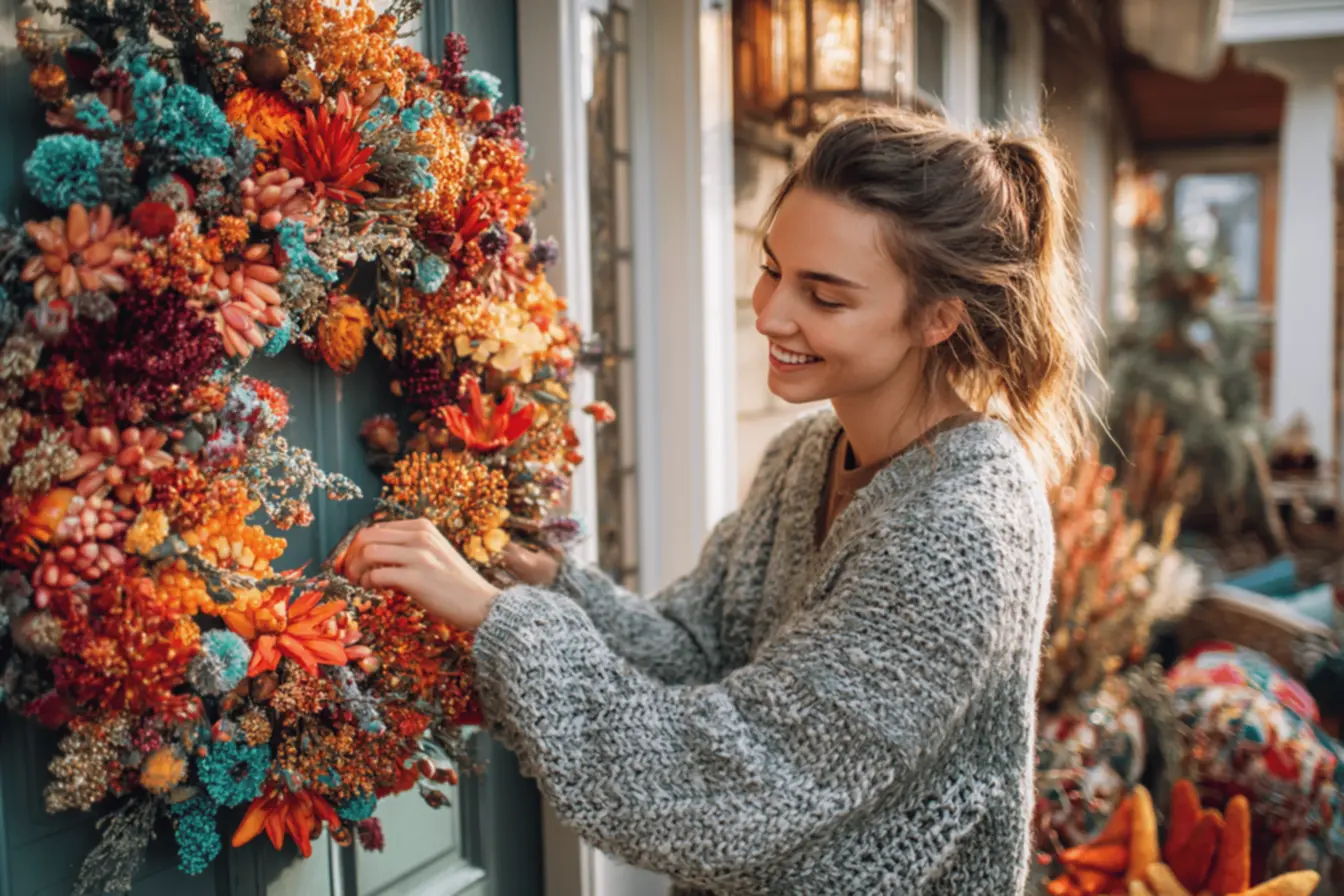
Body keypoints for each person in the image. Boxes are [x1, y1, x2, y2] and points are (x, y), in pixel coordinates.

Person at [339, 108, 1094, 894]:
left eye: (824, 296)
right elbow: (700, 653)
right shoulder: (806, 456)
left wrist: (501, 622)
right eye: (772, 268)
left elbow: (728, 785)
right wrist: (545, 584)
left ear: (939, 317)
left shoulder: (962, 531)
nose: (770, 314)